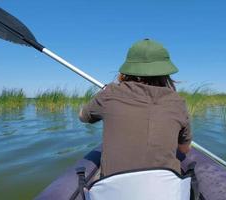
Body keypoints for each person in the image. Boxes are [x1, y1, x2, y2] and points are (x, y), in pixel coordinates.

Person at [79, 39, 192, 177]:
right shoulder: (178, 103)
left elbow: (82, 116)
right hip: (165, 190)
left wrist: (104, 94)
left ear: (128, 69)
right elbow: (184, 149)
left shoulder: (109, 94)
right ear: (165, 72)